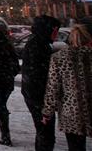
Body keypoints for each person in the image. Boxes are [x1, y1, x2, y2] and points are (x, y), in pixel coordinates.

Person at [42, 23, 92, 151]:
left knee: (75, 146)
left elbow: (53, 88)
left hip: (71, 111)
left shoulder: (59, 58)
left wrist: (47, 112)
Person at [21, 15, 61, 151]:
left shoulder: (38, 42)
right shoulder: (38, 45)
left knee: (44, 133)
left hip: (35, 94)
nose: (56, 33)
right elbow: (38, 75)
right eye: (55, 30)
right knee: (46, 134)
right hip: (38, 96)